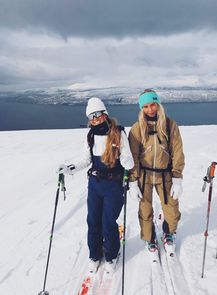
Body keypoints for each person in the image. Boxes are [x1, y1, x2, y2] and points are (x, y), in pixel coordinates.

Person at [58, 97, 134, 273]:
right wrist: (70, 168)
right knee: (93, 221)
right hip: (95, 184)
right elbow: (86, 160)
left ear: (105, 114)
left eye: (98, 114)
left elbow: (127, 160)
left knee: (108, 222)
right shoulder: (90, 135)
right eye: (92, 116)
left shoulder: (118, 132)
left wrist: (126, 160)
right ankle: (94, 253)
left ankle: (112, 255)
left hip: (113, 185)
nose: (96, 118)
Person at [128, 89, 185, 256]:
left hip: (165, 174)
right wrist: (132, 181)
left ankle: (168, 233)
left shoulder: (169, 124)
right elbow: (133, 155)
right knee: (145, 210)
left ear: (158, 104)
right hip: (144, 176)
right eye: (145, 106)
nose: (150, 109)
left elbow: (177, 150)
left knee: (172, 209)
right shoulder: (137, 128)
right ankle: (150, 237)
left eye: (153, 104)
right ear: (141, 108)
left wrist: (177, 177)